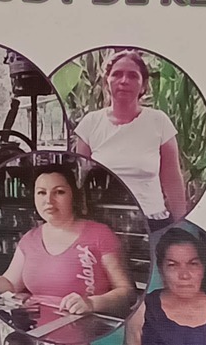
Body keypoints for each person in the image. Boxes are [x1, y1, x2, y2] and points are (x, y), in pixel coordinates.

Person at [0, 163, 134, 345]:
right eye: (41, 192)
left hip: (88, 337)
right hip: (39, 335)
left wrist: (91, 303)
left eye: (59, 192)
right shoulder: (30, 238)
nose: (49, 201)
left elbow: (126, 293)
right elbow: (10, 282)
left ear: (73, 195)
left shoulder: (99, 234)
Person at [73, 50, 187, 225]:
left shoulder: (158, 121)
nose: (124, 81)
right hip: (103, 223)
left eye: (132, 76)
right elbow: (81, 180)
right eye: (117, 74)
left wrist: (182, 225)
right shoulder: (91, 123)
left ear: (144, 85)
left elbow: (172, 179)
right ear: (106, 81)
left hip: (152, 221)